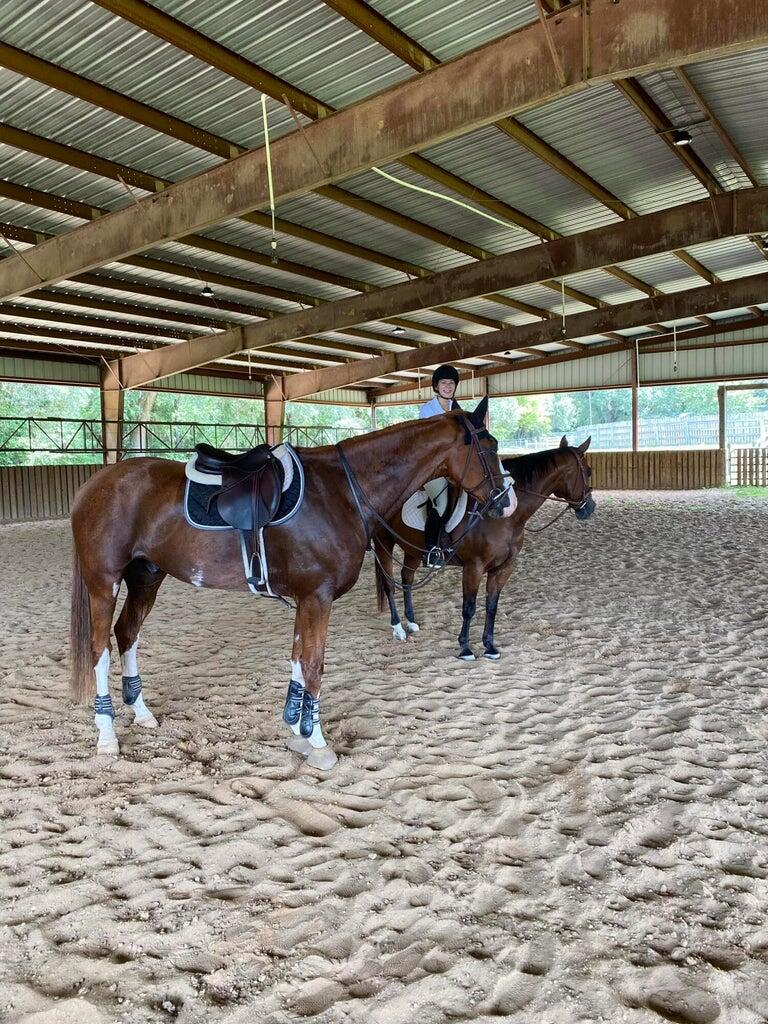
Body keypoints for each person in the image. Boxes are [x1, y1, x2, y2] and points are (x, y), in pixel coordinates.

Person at [419, 365, 460, 567]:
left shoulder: (458, 410)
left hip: (455, 466)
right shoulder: (427, 410)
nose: (448, 386)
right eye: (444, 383)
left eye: (451, 383)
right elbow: (427, 444)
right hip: (432, 467)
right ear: (436, 386)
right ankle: (430, 549)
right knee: (442, 502)